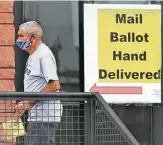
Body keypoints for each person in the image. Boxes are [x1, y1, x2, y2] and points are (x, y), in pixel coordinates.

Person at [14, 21, 63, 145]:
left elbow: (54, 85)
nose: (18, 39)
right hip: (38, 116)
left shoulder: (43, 54)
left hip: (44, 117)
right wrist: (25, 104)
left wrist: (28, 101)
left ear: (33, 38)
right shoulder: (34, 55)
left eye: (21, 36)